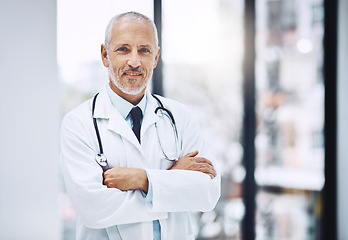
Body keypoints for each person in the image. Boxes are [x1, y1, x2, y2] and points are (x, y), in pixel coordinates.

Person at [60, 11, 221, 240]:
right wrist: (173, 184)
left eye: (144, 50)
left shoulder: (180, 117)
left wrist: (142, 179)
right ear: (105, 55)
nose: (134, 61)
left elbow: (207, 192)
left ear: (155, 57)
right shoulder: (78, 124)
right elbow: (93, 209)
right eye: (123, 49)